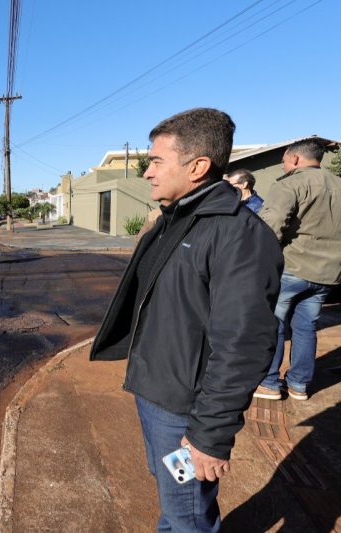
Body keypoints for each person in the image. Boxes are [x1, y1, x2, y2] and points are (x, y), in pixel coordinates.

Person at [90, 108, 283, 531]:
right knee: (173, 500)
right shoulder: (177, 220)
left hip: (186, 411)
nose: (147, 173)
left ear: (197, 167)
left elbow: (245, 343)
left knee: (189, 516)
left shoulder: (238, 236)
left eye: (157, 161)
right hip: (156, 393)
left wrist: (209, 435)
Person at [254, 138, 341, 401]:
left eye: (283, 161)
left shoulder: (291, 184)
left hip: (291, 268)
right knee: (306, 327)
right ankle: (299, 385)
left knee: (274, 324)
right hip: (328, 273)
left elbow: (270, 226)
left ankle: (269, 383)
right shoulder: (338, 184)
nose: (282, 166)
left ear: (294, 159)